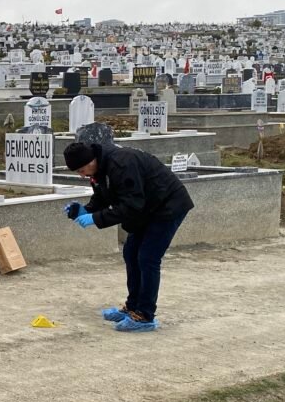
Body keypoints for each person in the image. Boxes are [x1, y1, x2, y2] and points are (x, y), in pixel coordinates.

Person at [62, 142, 194, 332]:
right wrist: (85, 210)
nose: (82, 175)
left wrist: (95, 218)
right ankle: (132, 307)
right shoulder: (99, 168)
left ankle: (145, 316)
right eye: (78, 172)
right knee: (131, 253)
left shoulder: (122, 164)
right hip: (147, 208)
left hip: (167, 206)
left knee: (148, 257)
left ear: (92, 160)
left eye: (82, 170)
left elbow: (131, 206)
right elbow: (102, 196)